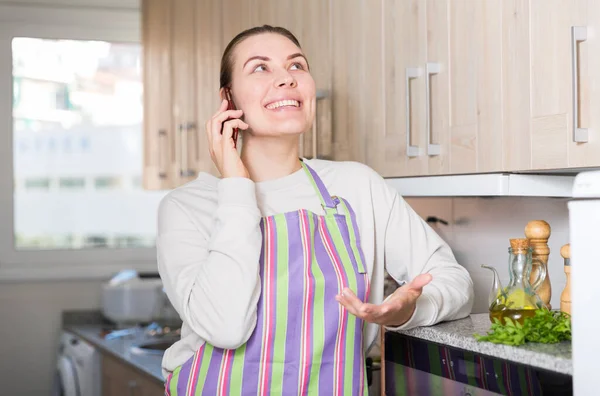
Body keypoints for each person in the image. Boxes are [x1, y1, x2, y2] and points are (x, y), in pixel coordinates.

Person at [157, 25, 474, 395]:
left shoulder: (357, 186)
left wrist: (407, 311)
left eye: (297, 66)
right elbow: (227, 328)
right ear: (227, 99)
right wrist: (236, 187)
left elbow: (455, 281)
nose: (286, 79)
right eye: (260, 68)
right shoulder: (187, 207)